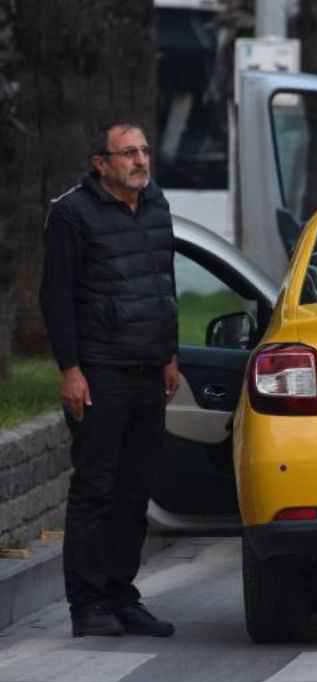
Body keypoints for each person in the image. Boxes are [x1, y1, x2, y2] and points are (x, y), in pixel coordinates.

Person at [40, 121, 180, 638]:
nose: (140, 161)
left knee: (134, 490)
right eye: (127, 154)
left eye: (144, 151)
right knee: (95, 489)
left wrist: (169, 355)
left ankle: (123, 594)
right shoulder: (72, 214)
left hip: (148, 368)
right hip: (99, 370)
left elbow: (165, 285)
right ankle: (88, 604)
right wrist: (70, 370)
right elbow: (55, 298)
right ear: (101, 163)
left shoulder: (157, 206)